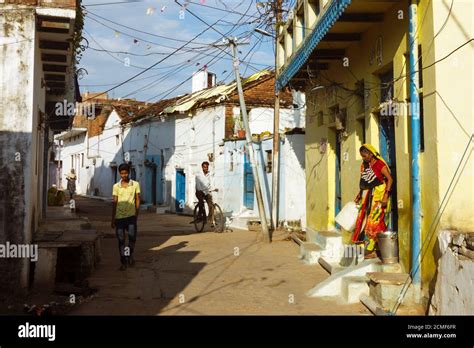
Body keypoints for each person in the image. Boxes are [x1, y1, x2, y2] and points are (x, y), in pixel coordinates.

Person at [352, 144, 394, 259]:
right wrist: (359, 195)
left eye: (365, 156)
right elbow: (365, 182)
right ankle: (373, 249)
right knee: (367, 221)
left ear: (371, 153)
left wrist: (386, 196)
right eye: (362, 156)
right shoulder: (366, 165)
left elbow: (390, 179)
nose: (363, 158)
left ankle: (374, 250)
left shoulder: (380, 165)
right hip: (370, 196)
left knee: (374, 222)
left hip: (380, 197)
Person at [111, 163, 141, 270]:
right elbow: (114, 203)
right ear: (119, 173)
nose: (124, 175)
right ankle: (123, 261)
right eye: (122, 173)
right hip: (119, 218)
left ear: (129, 172)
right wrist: (112, 219)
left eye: (126, 173)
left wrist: (136, 213)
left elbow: (137, 199)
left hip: (131, 217)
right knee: (121, 240)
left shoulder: (135, 185)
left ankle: (129, 254)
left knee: (132, 238)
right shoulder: (116, 186)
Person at [192, 161, 218, 226]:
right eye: (204, 167)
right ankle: (199, 216)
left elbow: (212, 182)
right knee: (201, 202)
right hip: (199, 191)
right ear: (202, 167)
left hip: (206, 192)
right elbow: (198, 185)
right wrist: (202, 190)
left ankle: (210, 219)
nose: (206, 168)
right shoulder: (198, 175)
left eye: (207, 167)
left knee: (211, 205)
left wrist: (214, 188)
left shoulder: (209, 174)